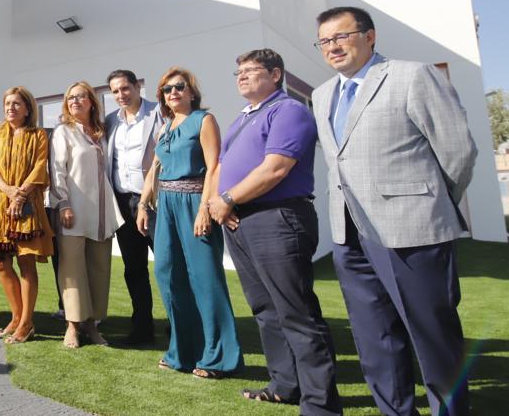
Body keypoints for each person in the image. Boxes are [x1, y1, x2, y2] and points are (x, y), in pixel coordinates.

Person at [311, 6, 477, 416]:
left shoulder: (412, 75)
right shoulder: (321, 94)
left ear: (370, 36)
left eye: (341, 36)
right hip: (348, 234)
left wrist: (429, 202)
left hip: (413, 229)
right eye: (324, 41)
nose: (332, 46)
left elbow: (458, 152)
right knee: (374, 339)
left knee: (432, 337)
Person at [207, 49, 341, 413]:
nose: (242, 76)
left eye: (251, 71)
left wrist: (229, 198)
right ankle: (285, 384)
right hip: (241, 220)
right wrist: (222, 204)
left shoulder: (289, 111)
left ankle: (320, 403)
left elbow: (276, 169)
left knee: (296, 311)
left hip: (278, 219)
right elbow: (220, 166)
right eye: (239, 71)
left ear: (276, 74)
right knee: (265, 309)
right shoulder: (243, 118)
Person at [151, 67, 243, 379]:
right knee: (167, 273)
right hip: (166, 204)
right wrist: (142, 203)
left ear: (192, 92)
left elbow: (214, 166)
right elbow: (157, 164)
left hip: (194, 202)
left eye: (179, 87)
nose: (173, 93)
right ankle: (181, 352)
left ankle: (217, 357)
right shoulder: (165, 126)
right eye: (166, 89)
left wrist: (206, 208)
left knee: (205, 277)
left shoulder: (203, 120)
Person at [0, 86, 52, 345]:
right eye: (8, 103)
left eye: (17, 104)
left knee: (26, 262)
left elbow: (40, 167)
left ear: (27, 108)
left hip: (27, 204)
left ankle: (27, 322)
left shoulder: (38, 135)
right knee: (1, 262)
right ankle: (16, 316)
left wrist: (20, 195)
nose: (11, 108)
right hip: (0, 204)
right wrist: (9, 191)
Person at [51, 80, 121, 349]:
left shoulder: (102, 132)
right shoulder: (63, 132)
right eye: (71, 98)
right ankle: (72, 325)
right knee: (72, 269)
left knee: (99, 269)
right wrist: (63, 204)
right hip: (73, 210)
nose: (75, 102)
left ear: (92, 101)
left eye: (81, 97)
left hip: (103, 212)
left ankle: (92, 325)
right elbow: (57, 170)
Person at [105, 69, 164, 345]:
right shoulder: (110, 122)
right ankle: (142, 328)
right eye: (115, 91)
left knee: (167, 265)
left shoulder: (159, 113)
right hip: (122, 203)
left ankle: (181, 327)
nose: (121, 95)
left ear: (138, 86)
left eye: (125, 88)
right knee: (134, 268)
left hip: (154, 203)